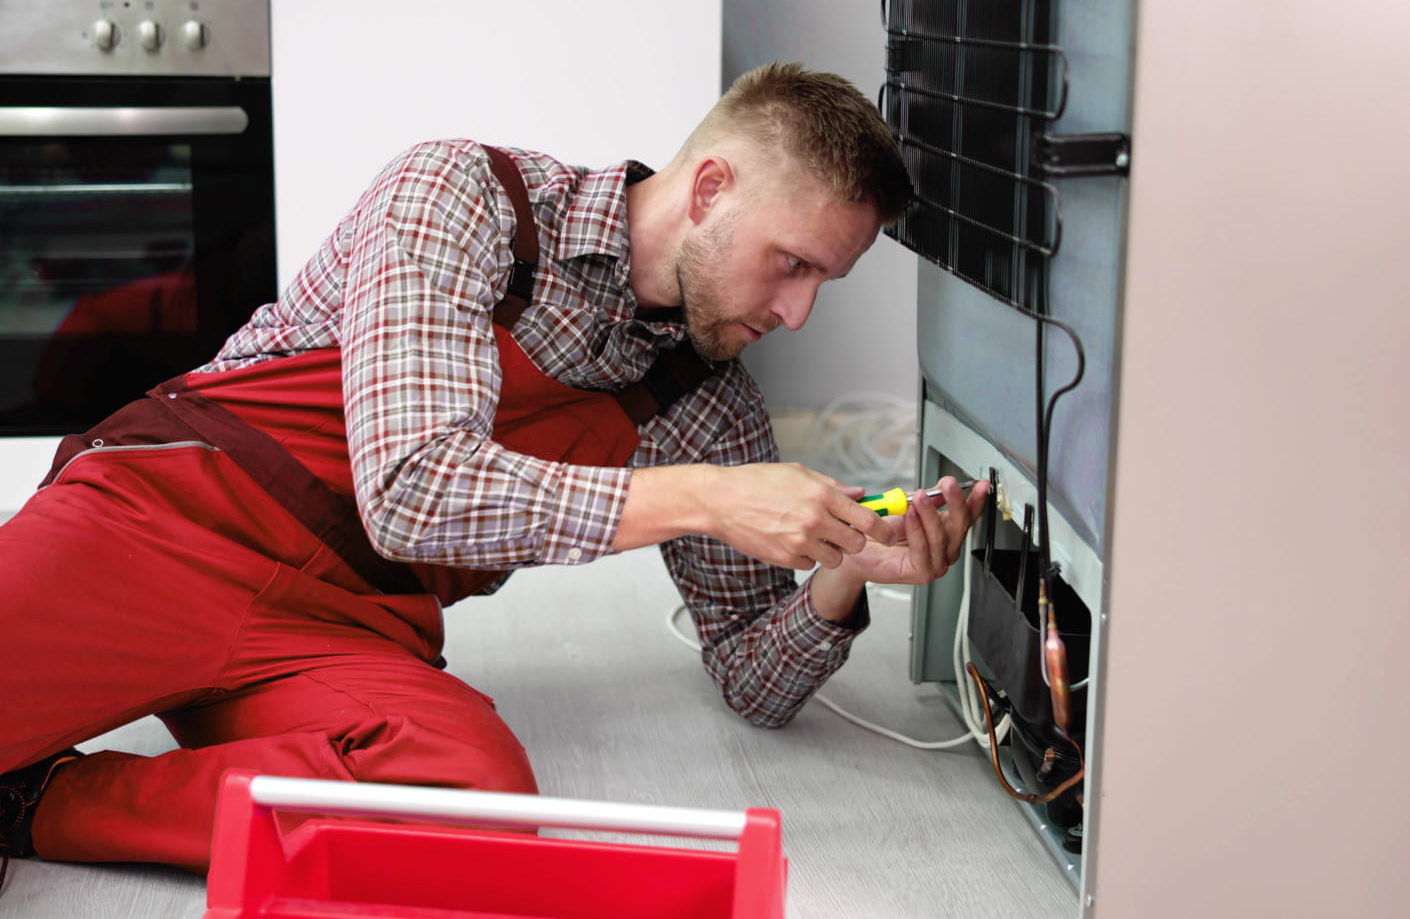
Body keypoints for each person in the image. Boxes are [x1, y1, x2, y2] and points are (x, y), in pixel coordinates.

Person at [0, 62, 989, 880]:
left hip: (342, 625)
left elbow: (750, 677)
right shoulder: (464, 196)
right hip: (158, 524)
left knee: (471, 797)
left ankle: (41, 801)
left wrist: (848, 571)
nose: (799, 312)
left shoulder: (708, 407)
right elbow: (412, 490)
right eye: (793, 264)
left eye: (825, 278)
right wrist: (707, 502)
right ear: (710, 190)